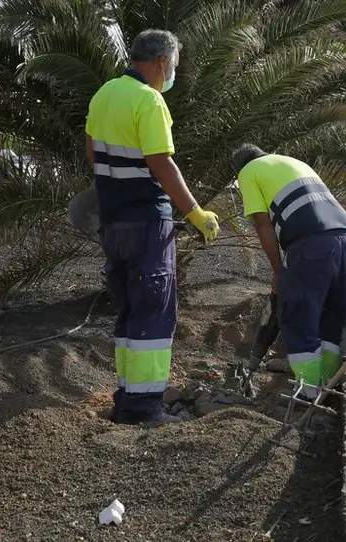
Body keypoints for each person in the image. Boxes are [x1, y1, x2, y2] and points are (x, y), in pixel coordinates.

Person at [85, 29, 221, 425]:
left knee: (129, 310)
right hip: (147, 220)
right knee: (153, 311)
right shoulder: (149, 100)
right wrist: (195, 212)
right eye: (174, 65)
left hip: (113, 221)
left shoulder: (104, 94)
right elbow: (162, 162)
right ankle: (144, 409)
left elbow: (91, 150)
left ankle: (127, 399)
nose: (173, 73)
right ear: (163, 62)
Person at [230, 144, 346, 399]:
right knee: (329, 318)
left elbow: (262, 222)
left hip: (310, 245)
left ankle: (308, 393)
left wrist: (278, 272)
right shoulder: (293, 161)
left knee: (297, 316)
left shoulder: (248, 172)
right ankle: (328, 386)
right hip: (344, 239)